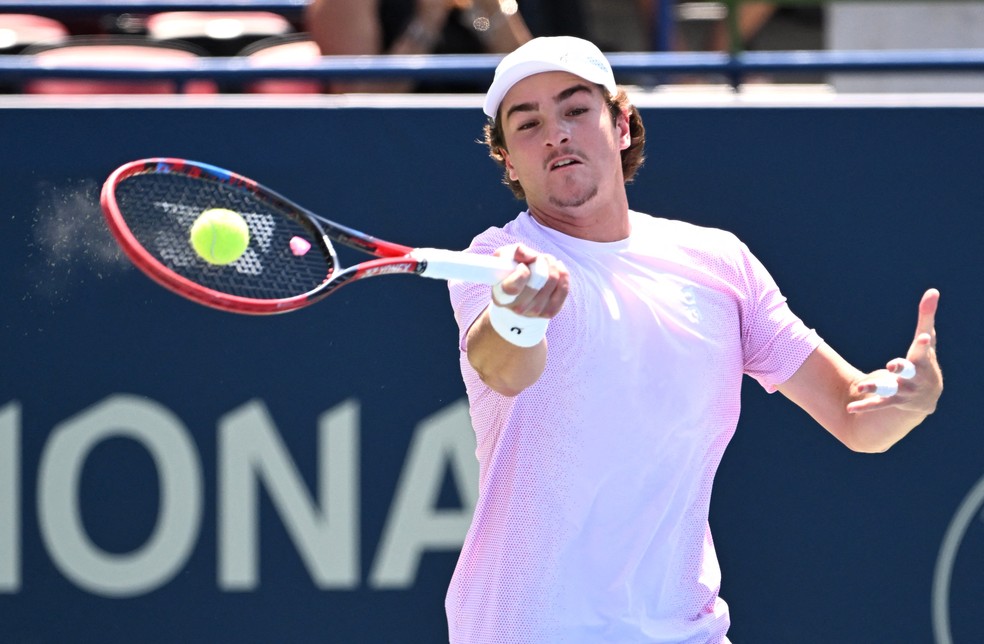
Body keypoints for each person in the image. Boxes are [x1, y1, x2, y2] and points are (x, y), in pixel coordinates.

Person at [446, 36, 942, 643]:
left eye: (576, 110)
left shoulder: (720, 264)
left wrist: (910, 402)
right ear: (508, 161)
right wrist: (520, 314)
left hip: (688, 631)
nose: (556, 134)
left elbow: (859, 420)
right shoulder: (497, 261)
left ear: (622, 124)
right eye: (529, 124)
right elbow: (501, 367)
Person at [304, 0, 538, 93]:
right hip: (395, 148)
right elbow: (359, 98)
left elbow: (531, 81)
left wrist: (492, 12)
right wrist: (427, 21)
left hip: (484, 142)